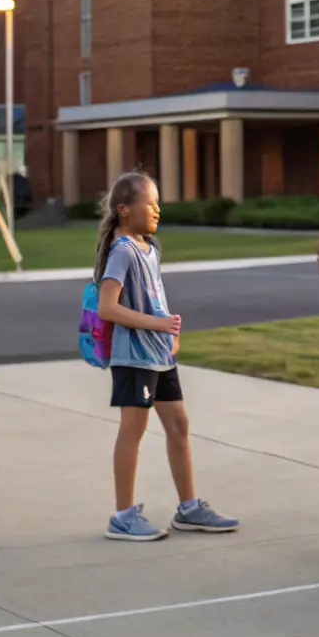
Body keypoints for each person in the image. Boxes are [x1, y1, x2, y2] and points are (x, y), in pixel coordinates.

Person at [93, 171, 239, 541]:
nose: (158, 209)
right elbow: (108, 308)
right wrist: (157, 325)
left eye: (158, 203)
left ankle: (188, 508)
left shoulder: (150, 248)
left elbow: (154, 298)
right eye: (150, 203)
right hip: (134, 358)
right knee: (134, 429)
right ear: (125, 209)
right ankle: (122, 517)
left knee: (178, 426)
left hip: (159, 354)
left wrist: (169, 333)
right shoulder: (122, 251)